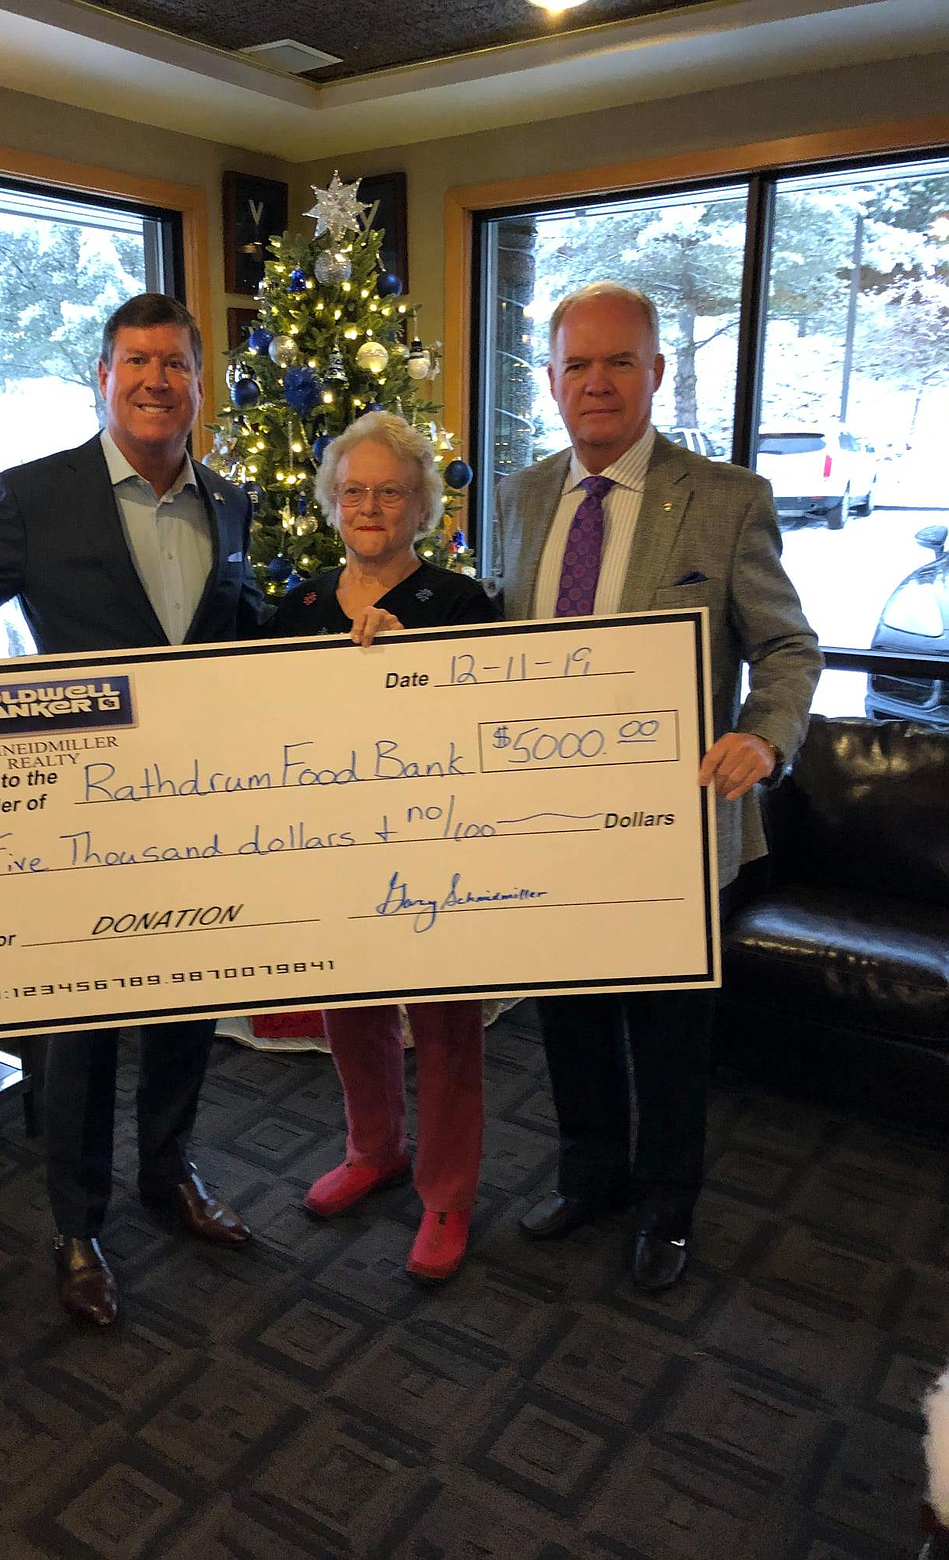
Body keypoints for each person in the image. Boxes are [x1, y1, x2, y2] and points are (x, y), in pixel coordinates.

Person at [0, 293, 266, 1327]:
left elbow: (244, 634)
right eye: (136, 362)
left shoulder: (231, 504)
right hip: (82, 817)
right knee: (87, 1030)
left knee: (190, 1000)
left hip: (197, 810)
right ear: (103, 377)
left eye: (175, 364)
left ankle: (168, 1174)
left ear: (197, 384)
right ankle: (78, 1225)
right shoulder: (36, 494)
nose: (155, 381)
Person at [494, 281, 822, 1290]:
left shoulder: (726, 500)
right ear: (550, 381)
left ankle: (669, 1207)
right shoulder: (523, 495)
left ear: (657, 373)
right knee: (571, 1020)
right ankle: (590, 1174)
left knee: (670, 1039)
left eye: (618, 362)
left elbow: (788, 647)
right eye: (576, 365)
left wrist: (763, 738)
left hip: (674, 830)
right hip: (551, 825)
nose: (596, 384)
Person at [268, 411, 500, 1282]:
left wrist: (422, 664)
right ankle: (375, 1151)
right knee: (348, 1008)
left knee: (445, 1021)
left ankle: (446, 1193)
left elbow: (490, 721)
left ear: (422, 506)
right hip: (328, 844)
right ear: (332, 503)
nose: (371, 506)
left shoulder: (461, 602)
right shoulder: (294, 605)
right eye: (354, 490)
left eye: (391, 491)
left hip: (434, 846)